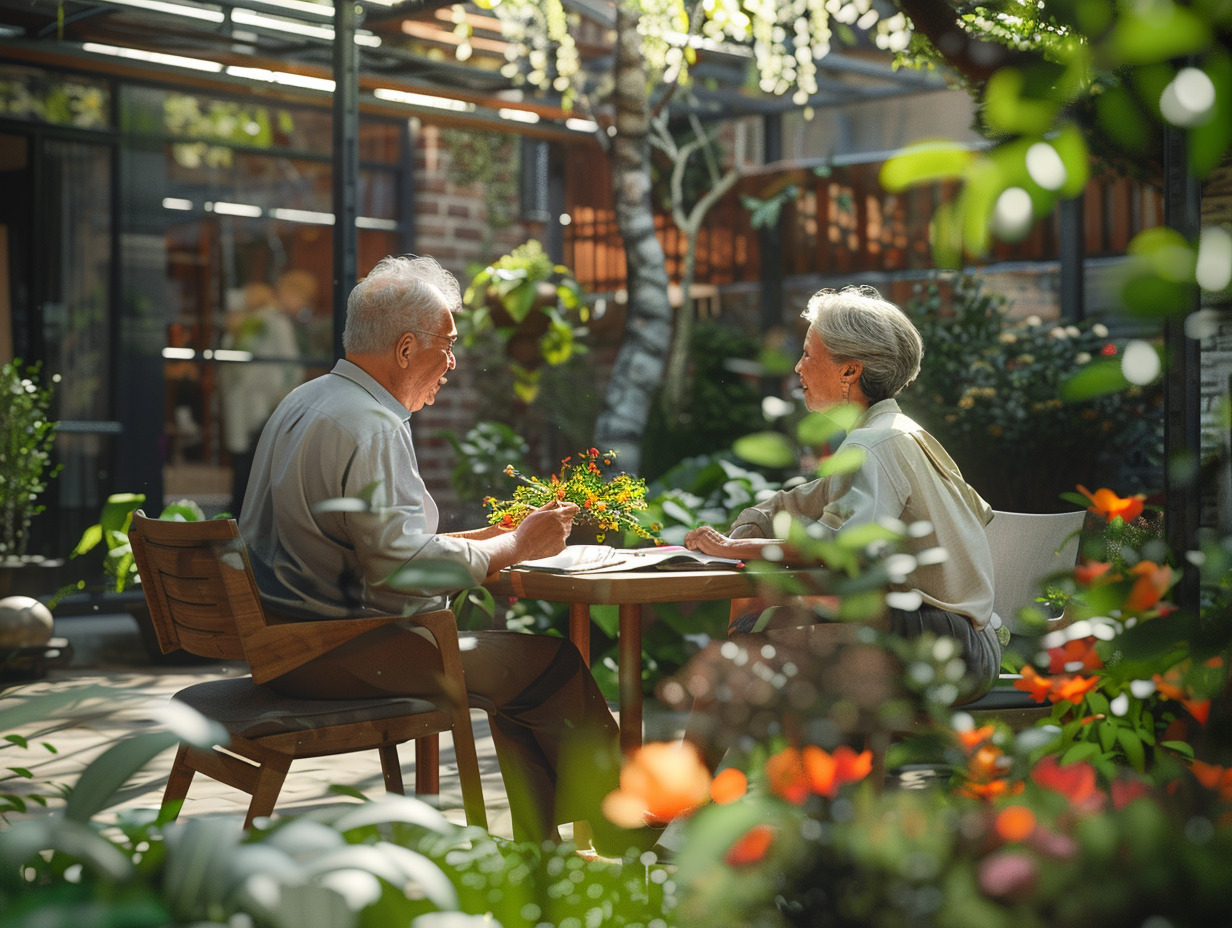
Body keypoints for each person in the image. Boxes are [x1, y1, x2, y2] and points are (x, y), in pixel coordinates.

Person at [238, 255, 622, 848]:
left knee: (523, 671)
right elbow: (399, 569)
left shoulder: (305, 401)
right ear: (405, 349)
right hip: (342, 652)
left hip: (286, 643)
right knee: (552, 664)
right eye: (446, 345)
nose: (451, 362)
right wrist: (516, 546)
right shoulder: (371, 424)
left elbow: (370, 545)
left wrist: (493, 542)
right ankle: (618, 834)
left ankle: (540, 852)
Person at [674, 285, 1001, 760]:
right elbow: (802, 502)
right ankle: (793, 803)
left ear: (850, 370)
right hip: (967, 641)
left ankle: (682, 806)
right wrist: (754, 523)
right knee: (760, 634)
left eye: (808, 354)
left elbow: (840, 547)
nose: (797, 368)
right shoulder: (895, 432)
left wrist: (731, 549)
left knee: (739, 657)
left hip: (942, 649)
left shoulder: (872, 446)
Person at [220, 280, 304, 516]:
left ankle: (238, 512)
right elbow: (291, 363)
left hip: (245, 403)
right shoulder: (273, 322)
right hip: (264, 403)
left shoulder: (243, 325)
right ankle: (248, 514)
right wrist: (289, 395)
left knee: (244, 460)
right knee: (258, 460)